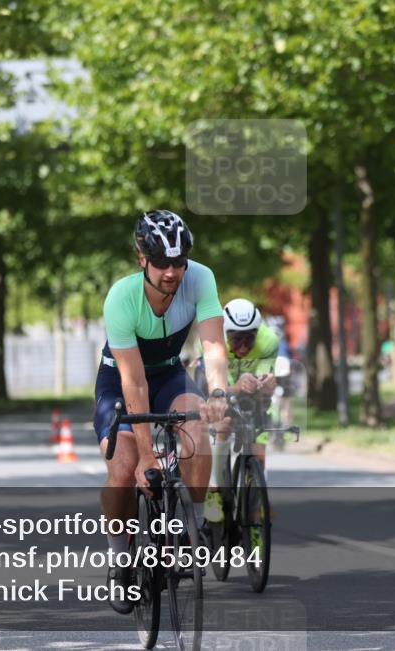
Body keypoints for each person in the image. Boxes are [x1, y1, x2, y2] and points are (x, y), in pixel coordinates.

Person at [95, 210, 229, 614]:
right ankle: (120, 561)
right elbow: (134, 382)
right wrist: (146, 456)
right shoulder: (121, 297)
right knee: (123, 468)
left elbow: (213, 345)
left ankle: (192, 527)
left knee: (197, 431)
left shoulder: (201, 278)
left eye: (178, 262)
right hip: (121, 380)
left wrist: (218, 393)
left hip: (170, 374)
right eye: (160, 263)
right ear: (142, 259)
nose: (171, 272)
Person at [201, 298, 280, 523]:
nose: (244, 347)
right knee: (222, 424)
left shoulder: (269, 340)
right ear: (225, 334)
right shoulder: (212, 339)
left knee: (258, 457)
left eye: (249, 339)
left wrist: (267, 384)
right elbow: (211, 388)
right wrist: (236, 387)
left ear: (257, 333)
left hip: (253, 399)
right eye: (237, 340)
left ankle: (254, 512)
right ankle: (215, 491)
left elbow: (265, 384)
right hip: (223, 390)